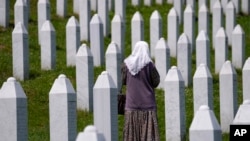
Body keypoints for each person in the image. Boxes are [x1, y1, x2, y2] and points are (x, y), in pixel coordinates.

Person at [121, 41, 160, 141]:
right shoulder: (150, 65)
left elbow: (123, 80)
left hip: (131, 106)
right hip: (148, 107)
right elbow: (156, 82)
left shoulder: (126, 65)